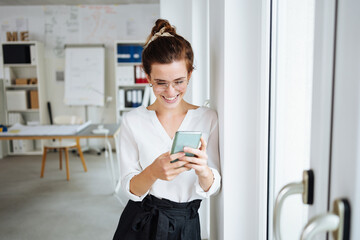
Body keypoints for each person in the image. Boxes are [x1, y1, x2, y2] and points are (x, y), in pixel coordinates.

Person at [113, 19, 221, 240]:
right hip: (140, 224)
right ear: (148, 77)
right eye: (160, 82)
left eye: (179, 81)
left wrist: (202, 170)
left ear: (190, 74)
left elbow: (213, 186)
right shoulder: (133, 121)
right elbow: (128, 189)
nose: (170, 92)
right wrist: (153, 172)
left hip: (187, 225)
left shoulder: (207, 118)